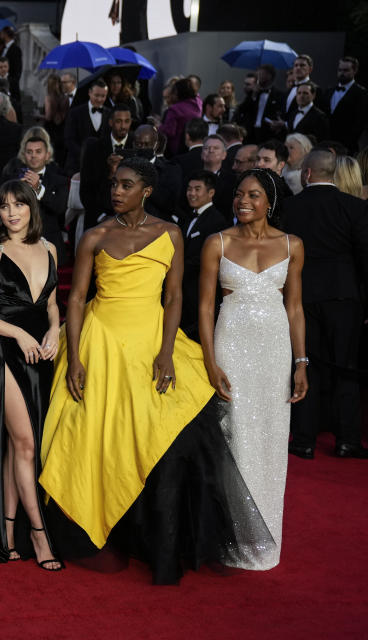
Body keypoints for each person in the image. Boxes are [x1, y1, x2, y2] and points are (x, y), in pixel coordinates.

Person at [38, 157, 274, 585]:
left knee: (158, 433)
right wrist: (74, 358)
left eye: (126, 185)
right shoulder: (95, 235)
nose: (116, 191)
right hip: (101, 342)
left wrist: (166, 352)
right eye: (114, 184)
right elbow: (75, 299)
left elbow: (173, 298)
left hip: (150, 342)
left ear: (146, 191)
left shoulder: (169, 233)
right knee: (90, 435)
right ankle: (90, 528)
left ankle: (154, 542)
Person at [197, 168, 307, 570]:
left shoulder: (292, 245)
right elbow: (206, 307)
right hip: (231, 344)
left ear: (270, 202)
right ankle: (230, 538)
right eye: (239, 194)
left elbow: (294, 308)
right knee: (235, 435)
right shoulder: (217, 243)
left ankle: (264, 539)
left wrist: (300, 362)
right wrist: (210, 362)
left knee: (271, 438)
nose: (243, 201)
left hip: (275, 349)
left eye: (254, 195)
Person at [0, 180, 63, 570]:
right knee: (25, 444)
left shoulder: (50, 248)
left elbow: (52, 303)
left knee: (18, 448)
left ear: (31, 208)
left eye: (19, 205)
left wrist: (56, 329)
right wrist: (19, 332)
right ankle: (40, 538)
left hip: (43, 355)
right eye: (4, 206)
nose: (12, 212)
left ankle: (6, 533)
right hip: (6, 354)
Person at [281, 151, 368, 458]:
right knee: (346, 368)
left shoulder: (290, 207)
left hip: (300, 297)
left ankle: (304, 440)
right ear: (333, 174)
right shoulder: (355, 207)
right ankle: (347, 441)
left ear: (306, 174)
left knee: (304, 365)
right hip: (345, 299)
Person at [178, 171, 229, 342]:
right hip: (185, 292)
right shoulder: (186, 218)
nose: (192, 193)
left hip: (200, 292)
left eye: (197, 189)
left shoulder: (217, 221)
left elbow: (205, 258)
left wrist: (176, 268)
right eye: (189, 189)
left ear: (211, 193)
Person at [161, 77, 202, 156]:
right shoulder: (198, 103)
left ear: (180, 92)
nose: (173, 94)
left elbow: (169, 131)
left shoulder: (175, 109)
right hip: (193, 147)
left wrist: (158, 126)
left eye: (175, 91)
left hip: (176, 150)